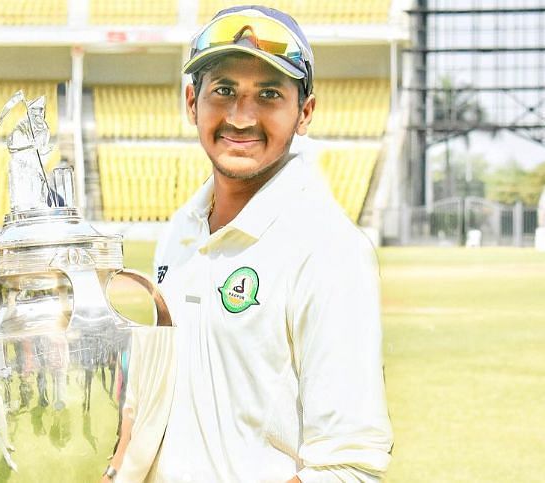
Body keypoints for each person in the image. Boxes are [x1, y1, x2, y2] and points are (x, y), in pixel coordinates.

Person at [104, 5, 393, 482]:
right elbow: (149, 397)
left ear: (304, 112)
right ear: (191, 101)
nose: (241, 117)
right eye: (224, 91)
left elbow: (348, 468)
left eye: (268, 94)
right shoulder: (181, 231)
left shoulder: (329, 251)